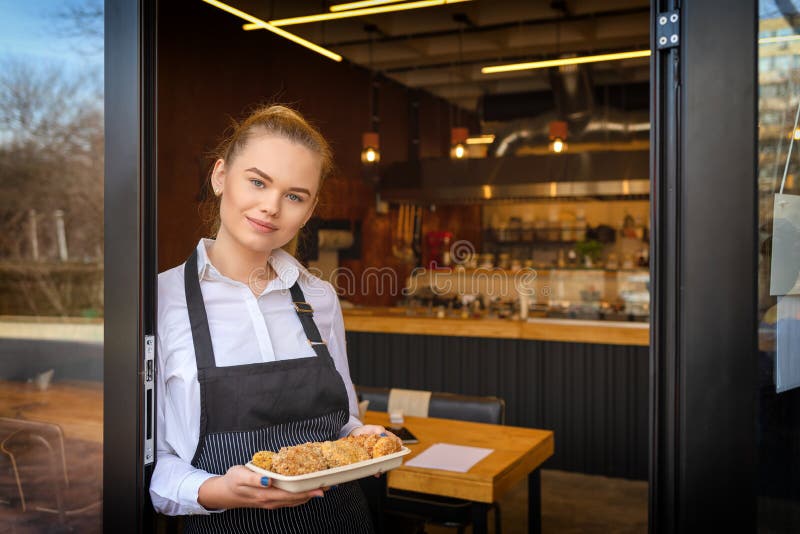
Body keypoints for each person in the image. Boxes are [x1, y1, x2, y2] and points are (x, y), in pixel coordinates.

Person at [149, 105, 389, 533]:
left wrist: (366, 441)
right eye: (257, 182)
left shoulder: (320, 298)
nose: (271, 207)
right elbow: (156, 468)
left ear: (310, 209)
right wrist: (219, 491)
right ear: (220, 176)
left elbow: (344, 421)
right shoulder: (159, 301)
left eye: (295, 196)